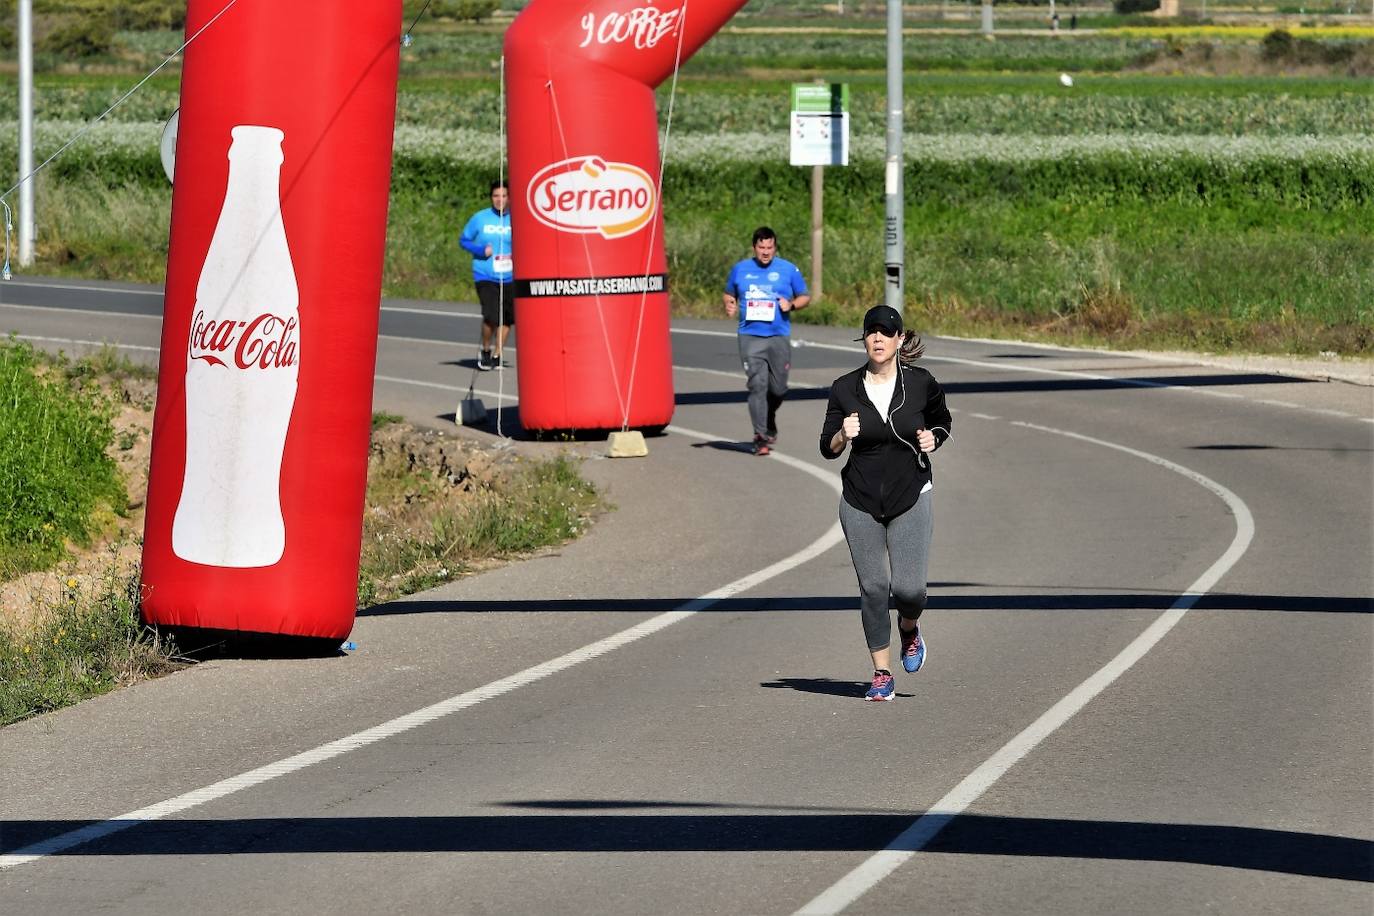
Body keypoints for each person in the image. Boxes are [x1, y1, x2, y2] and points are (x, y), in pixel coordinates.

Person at [819, 305, 953, 702]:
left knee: (909, 589)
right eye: (870, 333)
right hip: (859, 500)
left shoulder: (921, 383)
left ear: (898, 340)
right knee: (874, 587)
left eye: (885, 332)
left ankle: (909, 629)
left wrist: (935, 439)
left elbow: (942, 420)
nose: (877, 339)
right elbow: (827, 448)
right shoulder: (845, 388)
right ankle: (881, 673)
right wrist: (843, 435)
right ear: (864, 340)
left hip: (910, 494)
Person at [723, 226, 811, 456]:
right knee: (757, 385)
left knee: (778, 388)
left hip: (778, 336)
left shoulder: (788, 269)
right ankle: (760, 435)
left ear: (775, 248)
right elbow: (729, 292)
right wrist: (729, 303)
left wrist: (791, 305)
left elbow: (804, 296)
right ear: (754, 248)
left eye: (769, 247)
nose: (765, 252)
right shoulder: (740, 269)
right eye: (761, 247)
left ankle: (769, 415)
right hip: (750, 337)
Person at [460, 180, 514, 371]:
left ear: (510, 198)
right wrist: (480, 250)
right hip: (485, 273)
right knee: (491, 316)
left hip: (509, 275)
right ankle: (485, 349)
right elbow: (464, 240)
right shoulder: (480, 218)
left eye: (503, 196)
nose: (499, 200)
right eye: (495, 196)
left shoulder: (516, 219)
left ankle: (498, 354)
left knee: (507, 318)